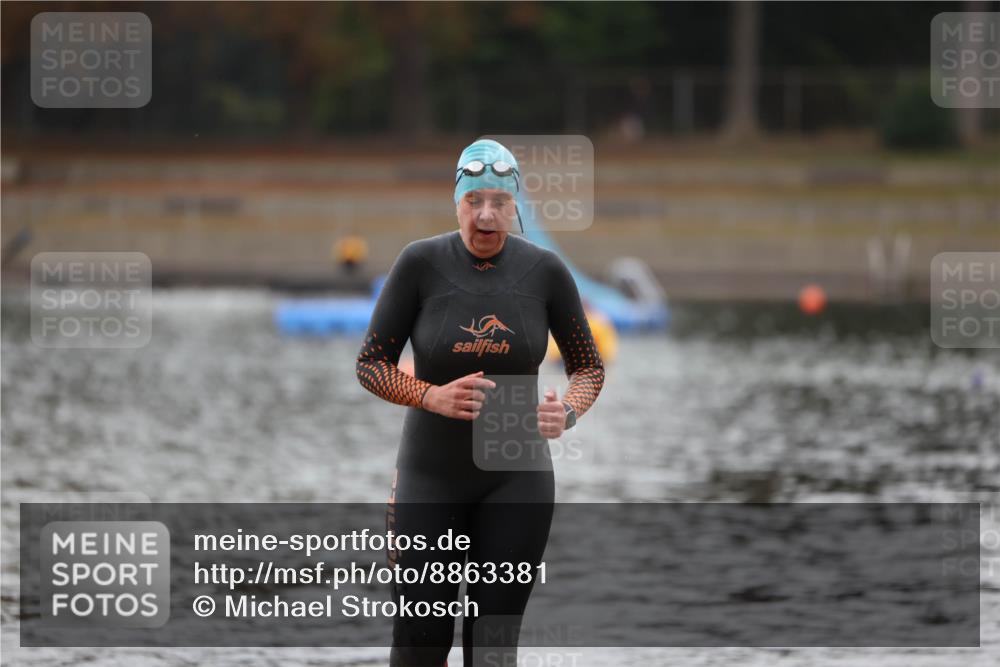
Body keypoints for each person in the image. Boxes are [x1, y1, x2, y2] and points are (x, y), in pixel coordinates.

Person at [356, 139, 605, 666]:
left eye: (498, 202)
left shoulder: (545, 272)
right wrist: (429, 394)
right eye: (474, 202)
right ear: (457, 203)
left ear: (516, 207)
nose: (486, 215)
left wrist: (567, 413)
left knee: (492, 649)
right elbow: (370, 364)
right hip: (430, 476)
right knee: (419, 645)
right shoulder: (420, 263)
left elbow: (588, 367)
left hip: (517, 478)